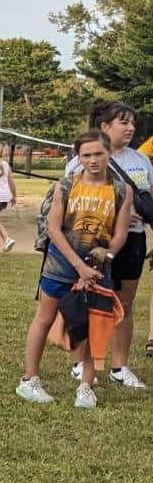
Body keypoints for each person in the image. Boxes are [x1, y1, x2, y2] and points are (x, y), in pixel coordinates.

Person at [16, 129, 130, 408]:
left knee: (93, 326)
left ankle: (86, 385)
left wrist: (108, 253)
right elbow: (54, 229)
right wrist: (79, 266)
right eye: (86, 155)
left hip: (98, 269)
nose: (93, 160)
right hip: (61, 264)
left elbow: (121, 232)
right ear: (78, 157)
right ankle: (29, 379)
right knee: (44, 318)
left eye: (98, 153)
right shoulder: (65, 186)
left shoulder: (120, 190)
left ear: (108, 154)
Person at [67, 100, 150, 388]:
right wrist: (117, 213)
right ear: (104, 126)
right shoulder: (81, 160)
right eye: (123, 122)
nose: (130, 128)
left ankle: (120, 366)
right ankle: (81, 363)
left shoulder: (141, 160)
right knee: (87, 301)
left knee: (124, 304)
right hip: (94, 241)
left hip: (134, 239)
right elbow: (70, 203)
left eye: (132, 123)